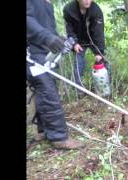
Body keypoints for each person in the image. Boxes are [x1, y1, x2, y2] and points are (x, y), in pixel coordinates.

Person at [27, 0, 85, 150]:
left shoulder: (47, 4)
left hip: (44, 52)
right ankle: (59, 138)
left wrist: (60, 41)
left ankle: (43, 130)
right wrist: (47, 38)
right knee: (48, 91)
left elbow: (47, 29)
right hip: (32, 53)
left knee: (44, 89)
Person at [63, 0, 108, 98]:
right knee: (78, 66)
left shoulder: (96, 10)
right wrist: (74, 44)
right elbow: (69, 29)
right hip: (79, 42)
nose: (88, 1)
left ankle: (106, 90)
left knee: (103, 62)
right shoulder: (68, 9)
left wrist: (98, 52)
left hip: (93, 40)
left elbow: (99, 32)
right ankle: (80, 92)